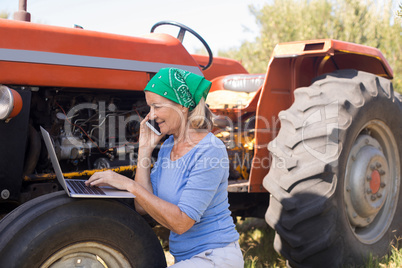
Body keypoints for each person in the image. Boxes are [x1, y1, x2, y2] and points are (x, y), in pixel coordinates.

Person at [85, 67, 244, 267]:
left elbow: (181, 223)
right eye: (149, 108)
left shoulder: (210, 150)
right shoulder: (168, 146)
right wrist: (144, 151)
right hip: (186, 259)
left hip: (216, 257)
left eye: (156, 107)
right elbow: (142, 206)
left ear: (182, 106)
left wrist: (128, 185)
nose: (151, 116)